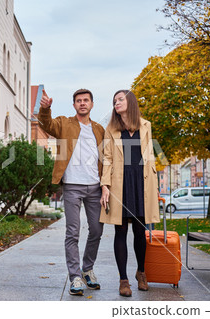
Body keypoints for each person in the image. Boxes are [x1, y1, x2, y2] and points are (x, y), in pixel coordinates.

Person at [38, 88, 105, 296]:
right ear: (74, 105)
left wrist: (106, 186)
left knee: (97, 230)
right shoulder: (64, 123)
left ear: (92, 104)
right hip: (72, 185)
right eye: (78, 101)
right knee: (73, 232)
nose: (82, 103)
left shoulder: (99, 129)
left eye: (86, 100)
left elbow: (106, 158)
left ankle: (87, 269)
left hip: (95, 186)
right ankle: (75, 275)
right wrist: (45, 109)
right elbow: (46, 125)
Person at [99, 90, 160, 297]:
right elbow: (107, 157)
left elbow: (150, 156)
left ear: (130, 102)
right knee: (121, 231)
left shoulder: (146, 126)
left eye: (120, 99)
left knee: (141, 232)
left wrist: (154, 185)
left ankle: (141, 273)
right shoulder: (111, 129)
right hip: (120, 183)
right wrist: (105, 185)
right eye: (114, 100)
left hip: (141, 182)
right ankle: (123, 279)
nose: (116, 103)